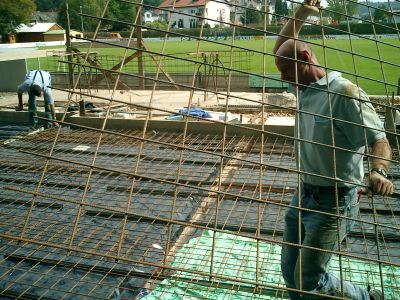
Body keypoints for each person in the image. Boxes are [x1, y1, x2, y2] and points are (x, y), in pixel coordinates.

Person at [273, 1, 394, 299]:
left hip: (334, 201)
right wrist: (302, 13)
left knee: (308, 279)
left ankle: (366, 297)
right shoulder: (303, 87)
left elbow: (380, 140)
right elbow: (281, 47)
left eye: (287, 70)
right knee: (290, 271)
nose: (283, 78)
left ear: (305, 58)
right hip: (304, 193)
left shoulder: (345, 94)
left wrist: (377, 171)